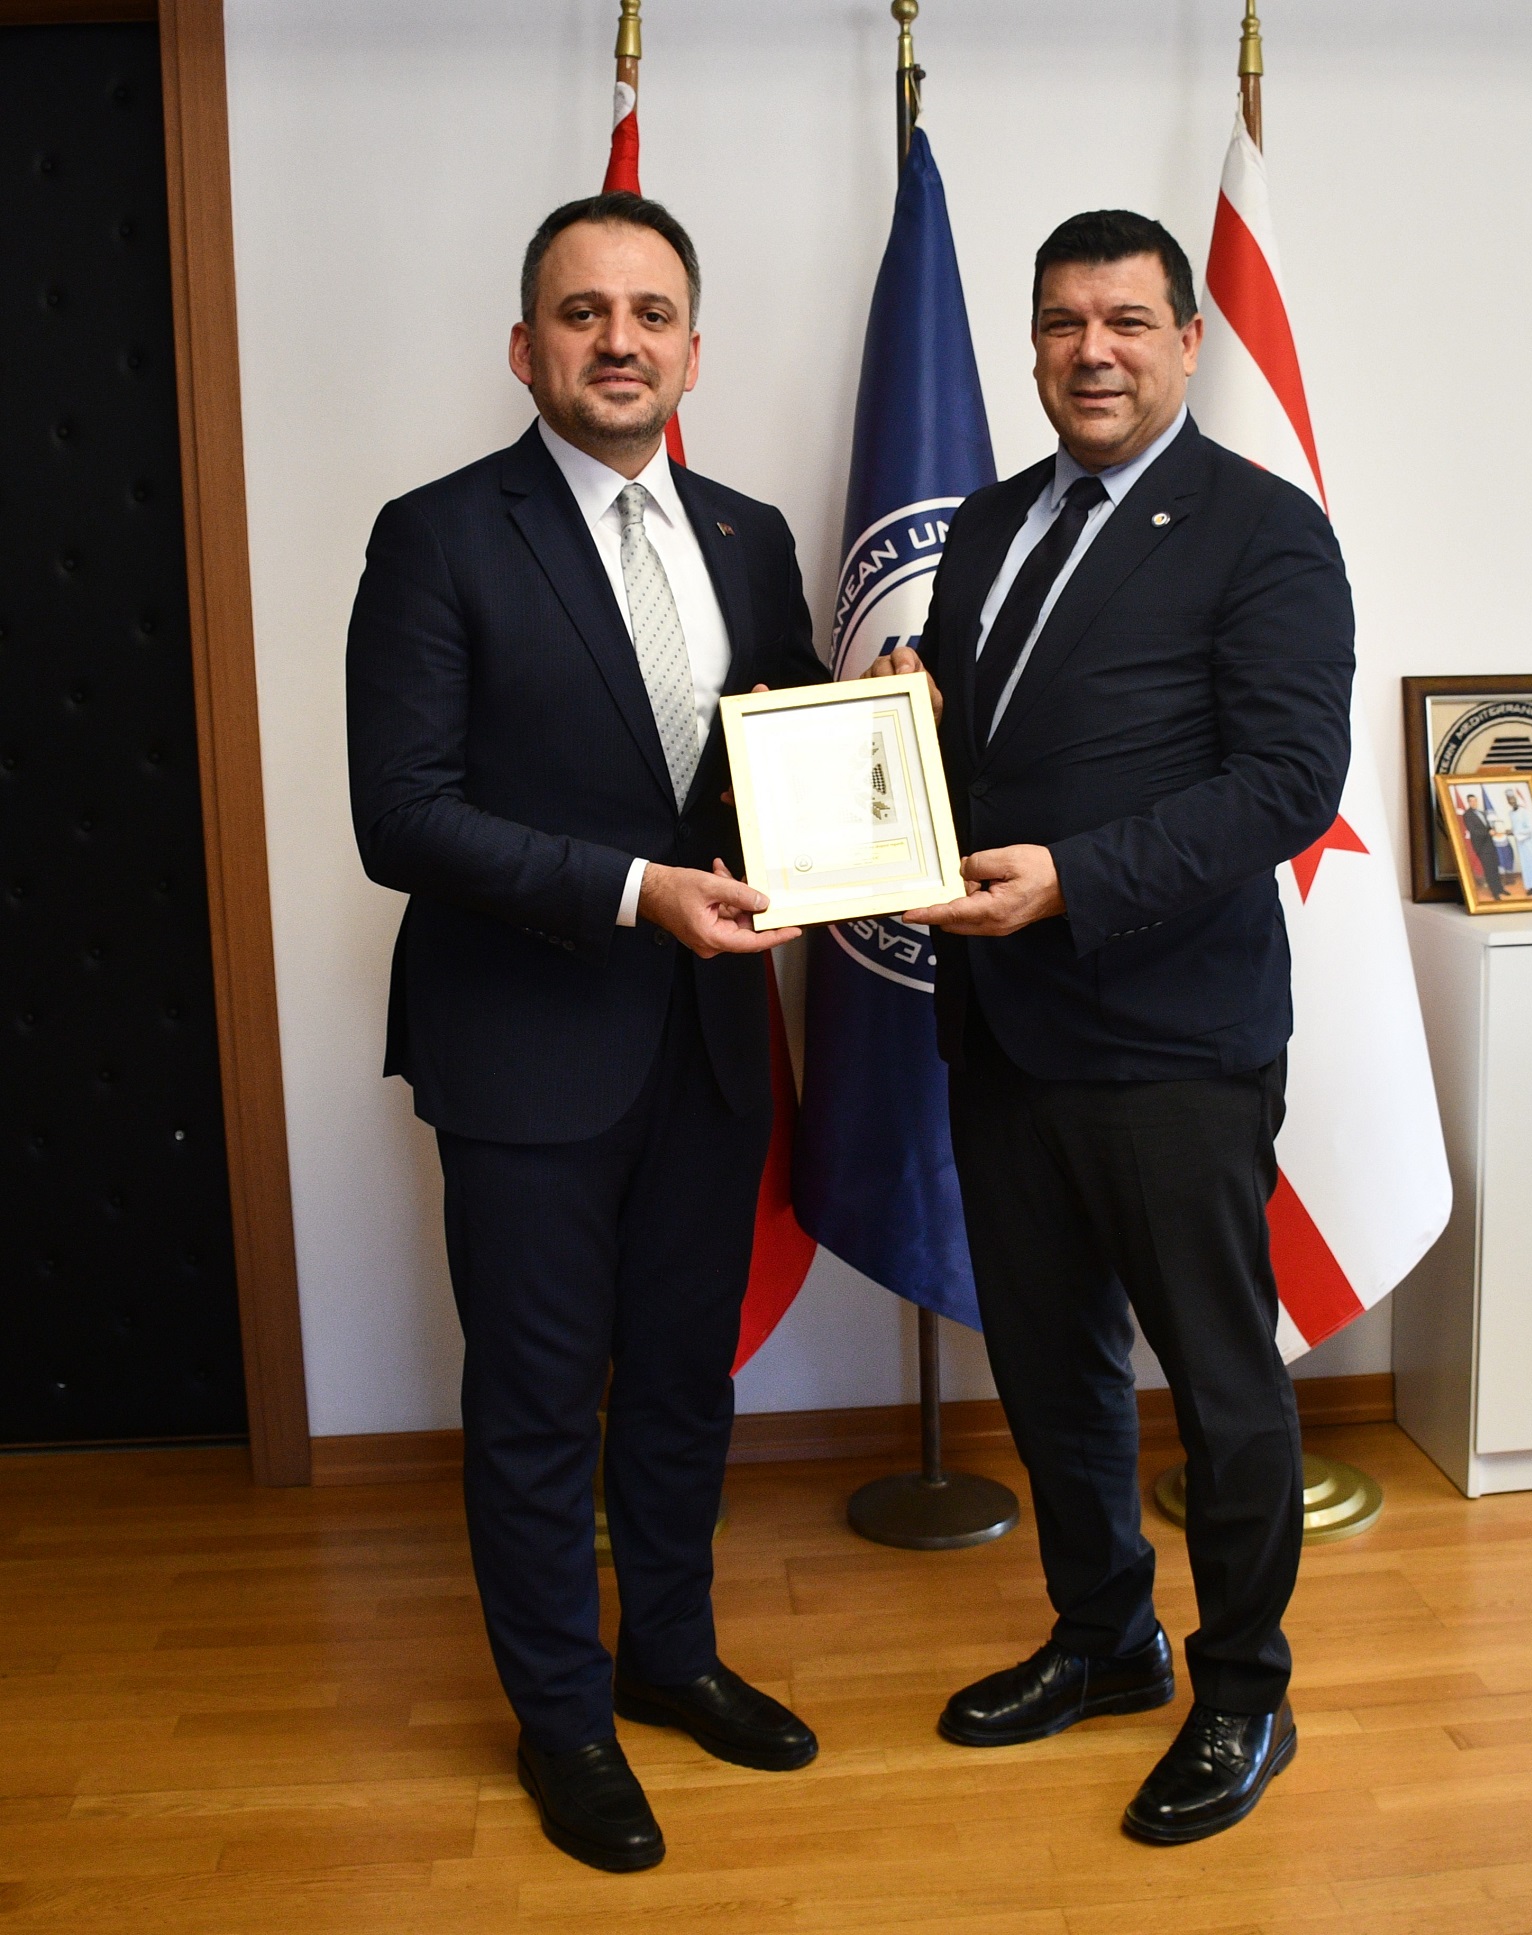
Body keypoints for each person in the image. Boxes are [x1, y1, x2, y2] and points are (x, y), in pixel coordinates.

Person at [345, 192, 826, 1875]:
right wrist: (633, 890)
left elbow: (782, 747)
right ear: (525, 346)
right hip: (526, 1048)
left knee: (685, 1381)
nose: (619, 340)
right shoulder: (437, 535)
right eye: (582, 311)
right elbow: (401, 814)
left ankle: (670, 1655)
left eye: (650, 313)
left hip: (712, 1041)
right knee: (541, 1403)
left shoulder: (751, 534)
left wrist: (882, 722)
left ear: (695, 350)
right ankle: (561, 1720)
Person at [873, 209, 1353, 1845]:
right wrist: (878, 745)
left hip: (1173, 1038)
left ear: (1187, 341)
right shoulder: (989, 520)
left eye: (1129, 322)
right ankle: (1104, 1637)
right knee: (1050, 1361)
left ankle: (1245, 1692)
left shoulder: (1264, 531)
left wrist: (1075, 879)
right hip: (1003, 1027)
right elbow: (973, 738)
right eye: (1065, 322)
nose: (1094, 351)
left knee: (1220, 1383)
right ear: (1031, 341)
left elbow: (1286, 785)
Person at [1459, 790, 1505, 900]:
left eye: (1475, 800)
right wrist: (1488, 832)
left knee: (1495, 867)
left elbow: (1487, 827)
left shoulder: (1482, 813)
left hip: (1490, 844)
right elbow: (1473, 831)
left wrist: (1494, 829)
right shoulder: (1467, 815)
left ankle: (1500, 889)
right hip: (1481, 846)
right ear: (1468, 802)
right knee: (1489, 869)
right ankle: (1495, 893)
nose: (1474, 803)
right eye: (1471, 801)